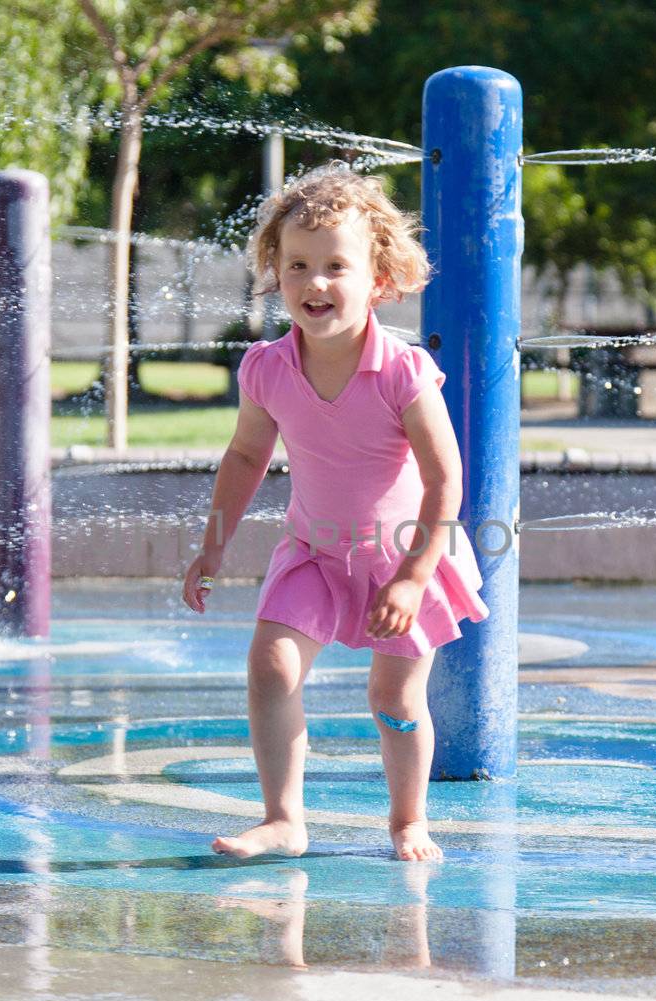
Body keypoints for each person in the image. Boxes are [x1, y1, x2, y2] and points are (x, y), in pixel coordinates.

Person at [180, 164, 489, 863]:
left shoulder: (403, 371)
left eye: (335, 267)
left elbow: (446, 478)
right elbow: (244, 458)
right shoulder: (265, 368)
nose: (315, 283)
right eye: (297, 265)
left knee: (394, 699)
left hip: (402, 556)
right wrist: (214, 545)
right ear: (275, 273)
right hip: (314, 554)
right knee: (271, 665)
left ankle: (409, 820)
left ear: (378, 279)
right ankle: (283, 817)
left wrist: (413, 577)